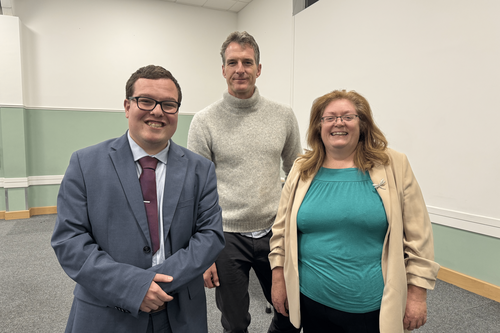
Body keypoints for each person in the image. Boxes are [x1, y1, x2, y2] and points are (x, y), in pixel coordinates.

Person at [51, 65, 225, 333]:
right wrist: (132, 287)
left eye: (169, 104)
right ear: (127, 106)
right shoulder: (85, 164)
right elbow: (69, 240)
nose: (157, 111)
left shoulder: (200, 169)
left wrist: (155, 285)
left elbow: (210, 236)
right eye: (146, 101)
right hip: (107, 311)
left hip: (180, 312)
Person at [269, 90, 440, 333]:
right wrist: (278, 280)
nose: (338, 122)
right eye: (329, 117)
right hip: (311, 299)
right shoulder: (302, 168)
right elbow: (280, 231)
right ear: (319, 127)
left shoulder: (393, 165)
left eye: (348, 116)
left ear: (363, 124)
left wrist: (417, 295)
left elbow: (419, 237)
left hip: (371, 307)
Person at [187, 31, 302, 333]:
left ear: (259, 69)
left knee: (291, 313)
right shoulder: (204, 121)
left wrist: (295, 227)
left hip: (274, 231)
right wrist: (203, 252)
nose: (240, 69)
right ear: (223, 69)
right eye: (233, 62)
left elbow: (296, 173)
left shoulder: (283, 116)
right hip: (226, 236)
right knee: (235, 324)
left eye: (248, 62)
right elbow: (195, 190)